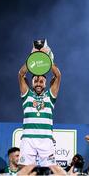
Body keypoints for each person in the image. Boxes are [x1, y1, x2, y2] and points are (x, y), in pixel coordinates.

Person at [18, 39, 61, 167]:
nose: (38, 83)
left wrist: (47, 58)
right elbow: (21, 74)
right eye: (36, 81)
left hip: (46, 140)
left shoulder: (50, 96)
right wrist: (33, 57)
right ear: (31, 83)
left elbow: (58, 75)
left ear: (45, 84)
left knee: (51, 171)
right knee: (24, 172)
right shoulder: (27, 95)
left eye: (41, 81)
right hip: (28, 140)